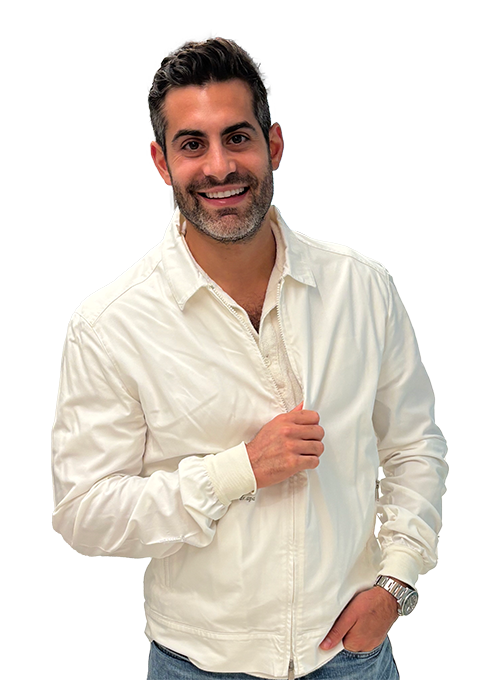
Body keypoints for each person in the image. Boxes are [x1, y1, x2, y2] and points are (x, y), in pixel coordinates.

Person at [52, 37, 448, 680]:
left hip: (350, 653)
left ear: (275, 146)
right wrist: (236, 471)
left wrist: (397, 582)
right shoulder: (111, 324)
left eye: (237, 137)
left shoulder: (362, 288)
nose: (218, 166)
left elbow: (414, 446)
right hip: (198, 663)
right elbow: (86, 513)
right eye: (192, 145)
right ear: (161, 162)